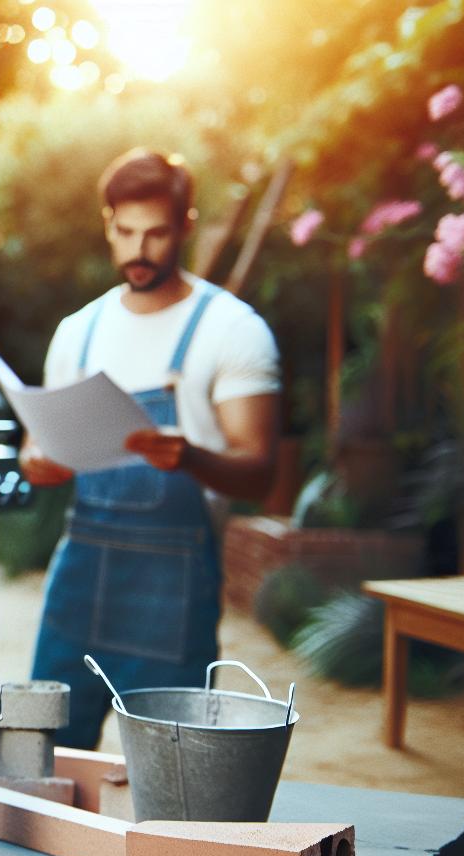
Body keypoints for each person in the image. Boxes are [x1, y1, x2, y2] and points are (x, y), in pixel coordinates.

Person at [23, 149, 281, 750]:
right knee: (43, 761)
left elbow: (259, 473)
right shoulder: (78, 332)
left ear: (186, 225)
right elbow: (35, 443)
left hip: (175, 594)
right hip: (77, 591)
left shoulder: (232, 329)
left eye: (158, 233)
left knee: (178, 775)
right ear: (108, 223)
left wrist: (189, 457)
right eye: (127, 232)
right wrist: (35, 460)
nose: (140, 249)